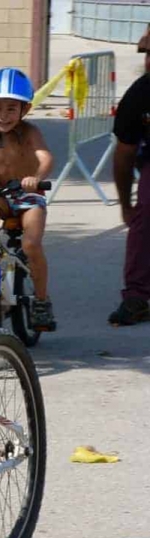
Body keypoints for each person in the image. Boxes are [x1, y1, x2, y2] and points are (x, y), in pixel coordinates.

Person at [0, 67, 57, 331]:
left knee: (31, 244)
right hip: (2, 196)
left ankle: (41, 301)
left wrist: (36, 177)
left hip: (29, 196)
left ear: (24, 110)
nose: (2, 116)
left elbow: (45, 157)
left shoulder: (30, 132)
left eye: (10, 109)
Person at [108, 25, 150, 326]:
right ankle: (137, 296)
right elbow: (124, 155)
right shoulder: (140, 95)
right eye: (148, 53)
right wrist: (126, 204)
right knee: (145, 214)